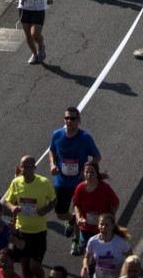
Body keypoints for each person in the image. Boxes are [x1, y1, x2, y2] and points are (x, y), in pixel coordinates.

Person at [48, 107, 100, 252]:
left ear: (78, 120)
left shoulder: (85, 137)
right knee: (59, 212)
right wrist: (52, 165)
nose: (69, 121)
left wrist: (87, 171)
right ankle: (70, 220)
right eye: (66, 118)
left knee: (79, 212)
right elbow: (52, 151)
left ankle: (76, 240)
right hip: (62, 181)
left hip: (79, 182)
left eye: (72, 119)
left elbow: (97, 157)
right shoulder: (57, 135)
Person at [3, 155, 56, 278]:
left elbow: (54, 200)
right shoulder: (16, 183)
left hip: (38, 231)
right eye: (22, 167)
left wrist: (46, 209)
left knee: (35, 267)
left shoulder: (43, 183)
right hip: (22, 231)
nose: (24, 170)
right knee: (25, 266)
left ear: (34, 167)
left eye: (27, 167)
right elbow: (7, 200)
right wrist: (13, 208)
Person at [72, 162, 120, 256]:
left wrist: (109, 218)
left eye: (92, 172)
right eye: (87, 172)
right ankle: (91, 269)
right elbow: (77, 205)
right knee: (89, 252)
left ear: (97, 174)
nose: (89, 175)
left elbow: (115, 203)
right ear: (83, 173)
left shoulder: (105, 188)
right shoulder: (80, 188)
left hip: (103, 228)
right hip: (87, 227)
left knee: (103, 251)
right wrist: (78, 218)